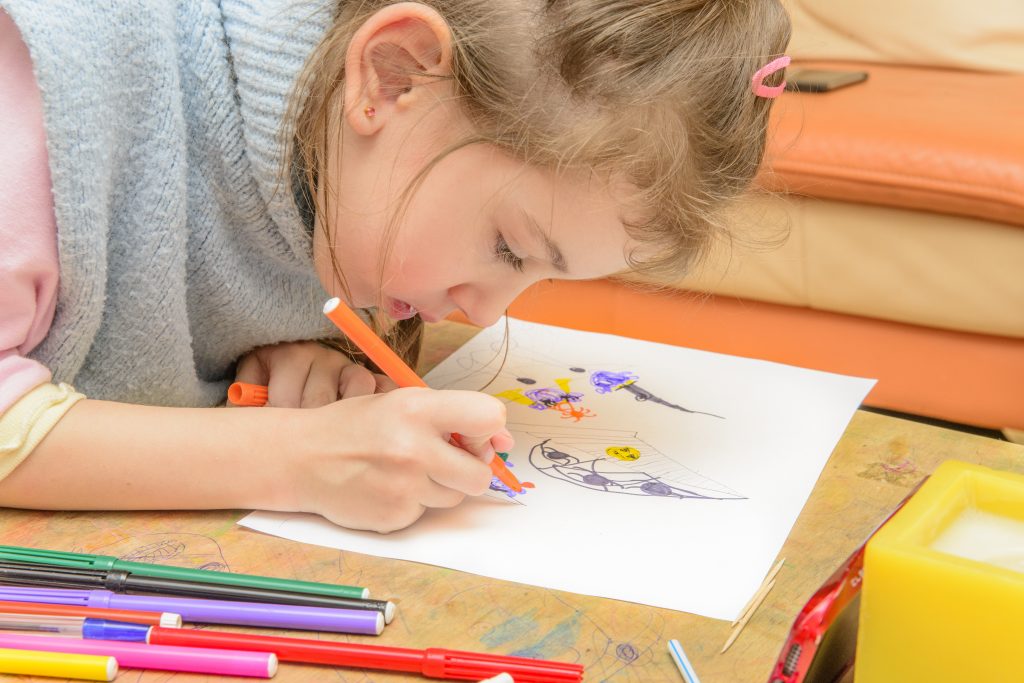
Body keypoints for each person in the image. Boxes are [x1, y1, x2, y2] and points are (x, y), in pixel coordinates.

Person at [0, 0, 791, 532]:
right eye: (510, 247)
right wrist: (293, 460)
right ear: (393, 76)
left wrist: (290, 349)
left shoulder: (339, 181)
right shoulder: (40, 105)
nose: (486, 314)